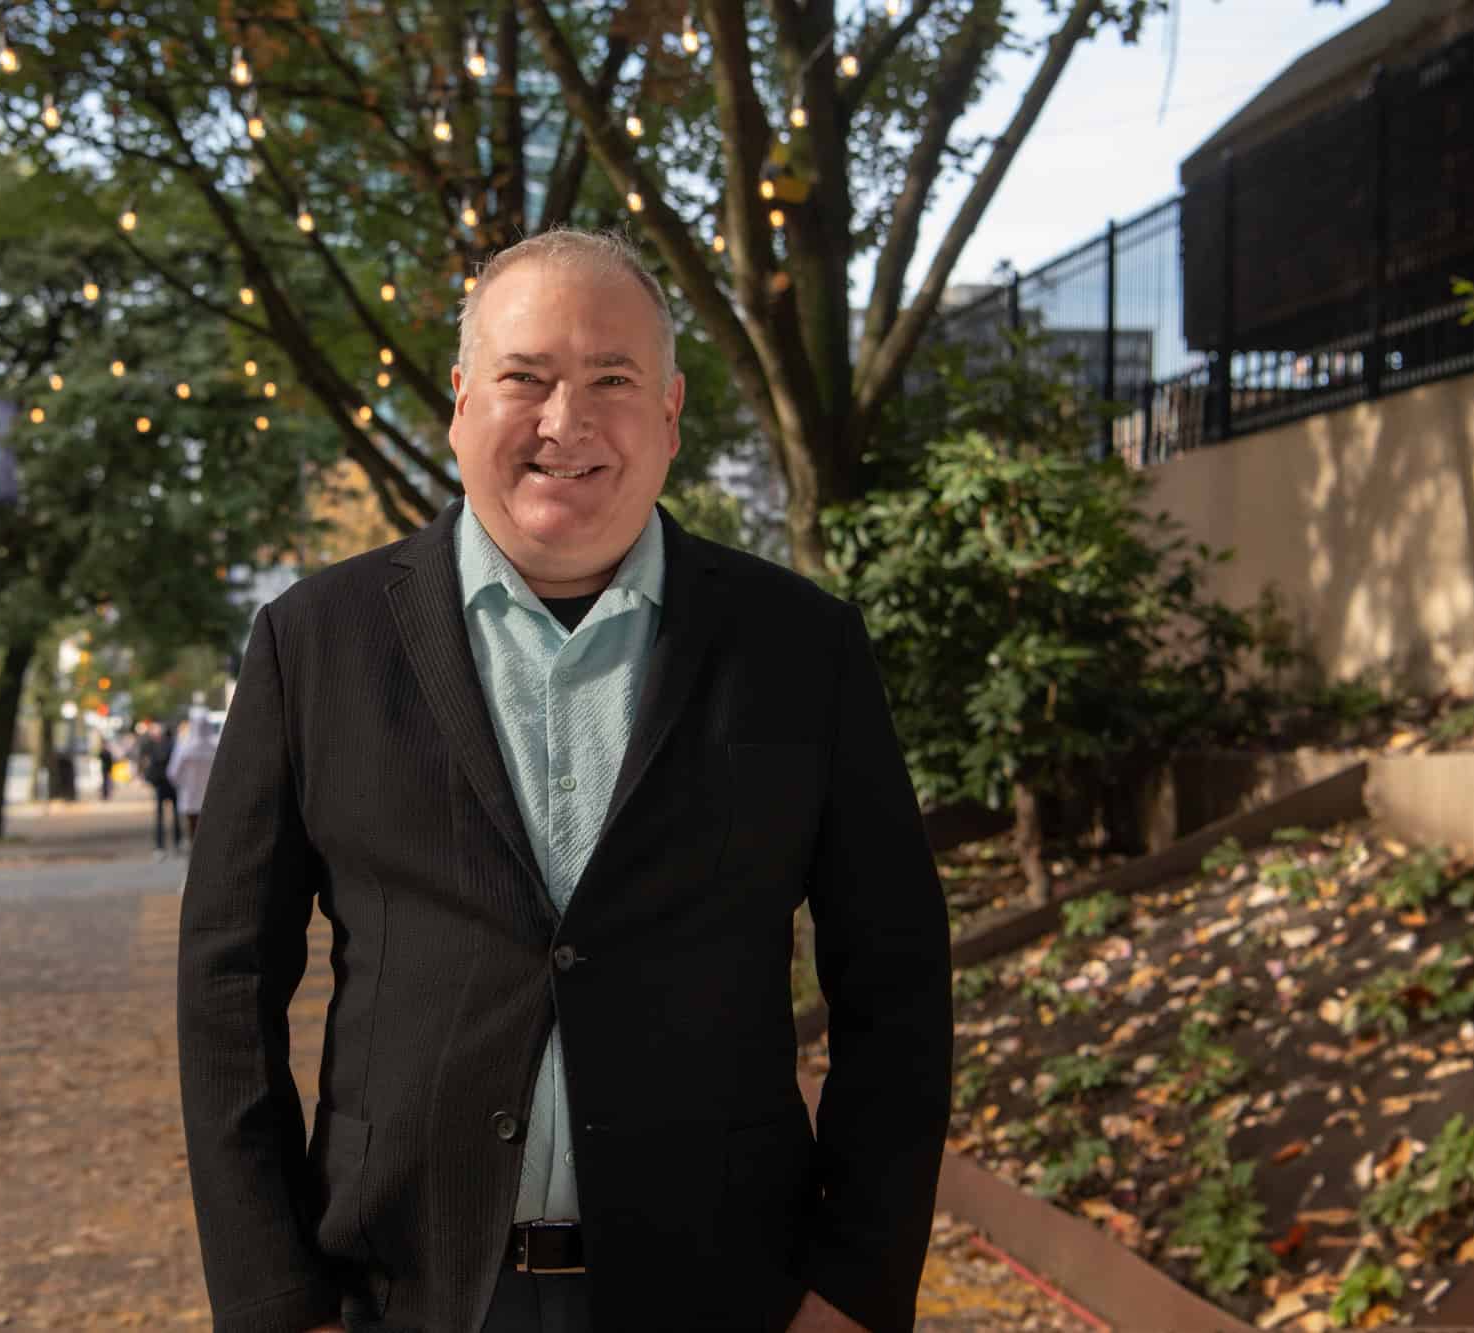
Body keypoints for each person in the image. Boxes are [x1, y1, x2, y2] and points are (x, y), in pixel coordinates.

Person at [177, 228, 952, 1333]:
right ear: (458, 402)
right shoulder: (315, 645)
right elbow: (222, 985)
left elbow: (898, 982)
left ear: (671, 414)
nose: (565, 421)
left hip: (726, 1290)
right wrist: (271, 1299)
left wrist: (856, 1286)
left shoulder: (801, 651)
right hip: (400, 1293)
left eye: (611, 381)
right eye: (524, 378)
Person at [165, 715, 219, 847]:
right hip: (212, 798)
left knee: (194, 833)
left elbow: (173, 773)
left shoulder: (185, 748)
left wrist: (182, 785)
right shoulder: (216, 748)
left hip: (190, 797)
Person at [145, 721, 183, 858]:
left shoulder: (157, 746)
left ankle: (160, 846)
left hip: (161, 784)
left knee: (160, 816)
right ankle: (177, 842)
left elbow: (151, 762)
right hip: (172, 783)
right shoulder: (174, 746)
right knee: (175, 815)